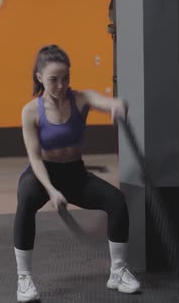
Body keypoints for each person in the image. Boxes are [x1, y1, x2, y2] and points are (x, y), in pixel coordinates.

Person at [13, 44, 141, 302]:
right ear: (39, 77)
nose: (61, 85)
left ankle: (117, 271)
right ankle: (24, 278)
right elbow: (35, 158)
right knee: (26, 199)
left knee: (116, 201)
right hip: (42, 175)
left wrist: (119, 106)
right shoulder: (30, 111)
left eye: (65, 78)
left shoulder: (81, 99)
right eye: (53, 80)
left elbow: (109, 102)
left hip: (74, 174)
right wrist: (51, 191)